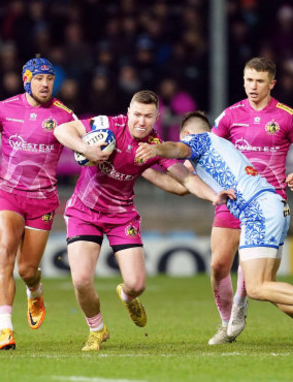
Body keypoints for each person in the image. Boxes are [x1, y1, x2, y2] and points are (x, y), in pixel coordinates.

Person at [135, 111, 293, 350]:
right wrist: (145, 170)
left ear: (187, 134)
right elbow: (184, 185)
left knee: (256, 287)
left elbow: (175, 148)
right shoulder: (222, 145)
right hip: (273, 206)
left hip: (256, 210)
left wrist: (155, 149)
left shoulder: (199, 139)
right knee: (268, 286)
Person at [53, 90, 230, 352]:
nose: (141, 121)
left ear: (157, 117)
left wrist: (214, 196)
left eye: (148, 116)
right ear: (128, 112)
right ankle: (97, 329)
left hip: (121, 215)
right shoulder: (108, 125)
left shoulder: (156, 146)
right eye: (136, 114)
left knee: (137, 284)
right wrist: (85, 148)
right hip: (84, 211)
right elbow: (62, 130)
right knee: (81, 279)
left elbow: (186, 180)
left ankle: (126, 295)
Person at [0, 57, 77, 350]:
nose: (45, 84)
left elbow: (83, 146)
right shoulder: (4, 109)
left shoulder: (64, 115)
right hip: (7, 194)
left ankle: (34, 290)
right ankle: (5, 329)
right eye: (39, 78)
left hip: (43, 200)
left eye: (49, 79)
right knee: (4, 254)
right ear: (27, 80)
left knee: (27, 269)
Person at [208, 57, 293, 348]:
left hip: (268, 205)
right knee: (220, 264)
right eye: (248, 80)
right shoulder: (230, 116)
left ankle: (240, 312)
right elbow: (211, 150)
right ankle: (229, 318)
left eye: (259, 81)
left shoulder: (286, 116)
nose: (253, 86)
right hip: (233, 200)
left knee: (260, 280)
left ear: (272, 83)